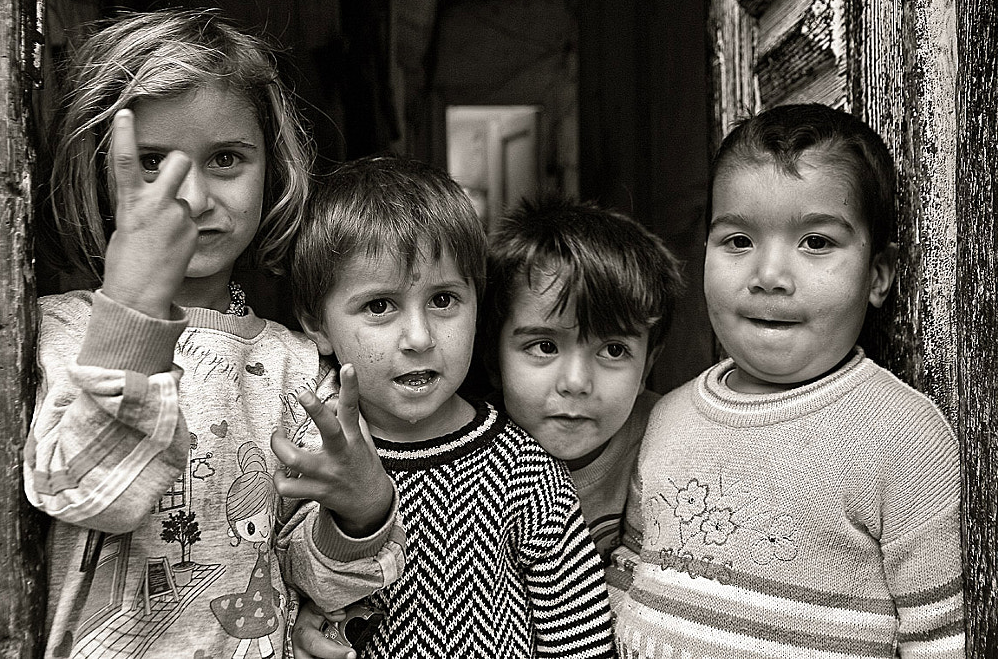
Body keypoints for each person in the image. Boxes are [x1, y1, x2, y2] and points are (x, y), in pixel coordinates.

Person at [24, 10, 402, 659]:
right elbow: (88, 494)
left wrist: (360, 511)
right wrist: (133, 314)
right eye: (152, 163)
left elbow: (322, 585)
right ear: (97, 173)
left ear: (271, 170)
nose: (193, 197)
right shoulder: (59, 332)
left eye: (226, 158)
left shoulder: (294, 366)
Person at [609, 103, 965, 657]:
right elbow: (626, 579)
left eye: (816, 242)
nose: (769, 276)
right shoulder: (669, 417)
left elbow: (940, 640)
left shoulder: (903, 439)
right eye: (738, 241)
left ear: (878, 275)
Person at [275, 155, 617, 659]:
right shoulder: (312, 459)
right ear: (317, 325)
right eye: (379, 306)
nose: (419, 338)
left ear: (479, 303)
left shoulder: (526, 473)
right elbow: (274, 596)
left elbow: (579, 640)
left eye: (443, 300)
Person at [479, 194, 684, 564]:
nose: (575, 383)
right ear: (493, 355)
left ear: (648, 364)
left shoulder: (669, 438)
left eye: (614, 351)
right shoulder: (466, 456)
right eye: (543, 346)